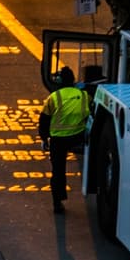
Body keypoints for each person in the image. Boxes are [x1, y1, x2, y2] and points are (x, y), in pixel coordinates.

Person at [41, 66, 93, 209]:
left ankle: (57, 201)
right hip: (78, 137)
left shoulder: (54, 97)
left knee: (58, 170)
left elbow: (44, 119)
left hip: (58, 139)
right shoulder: (84, 96)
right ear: (73, 80)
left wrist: (44, 138)